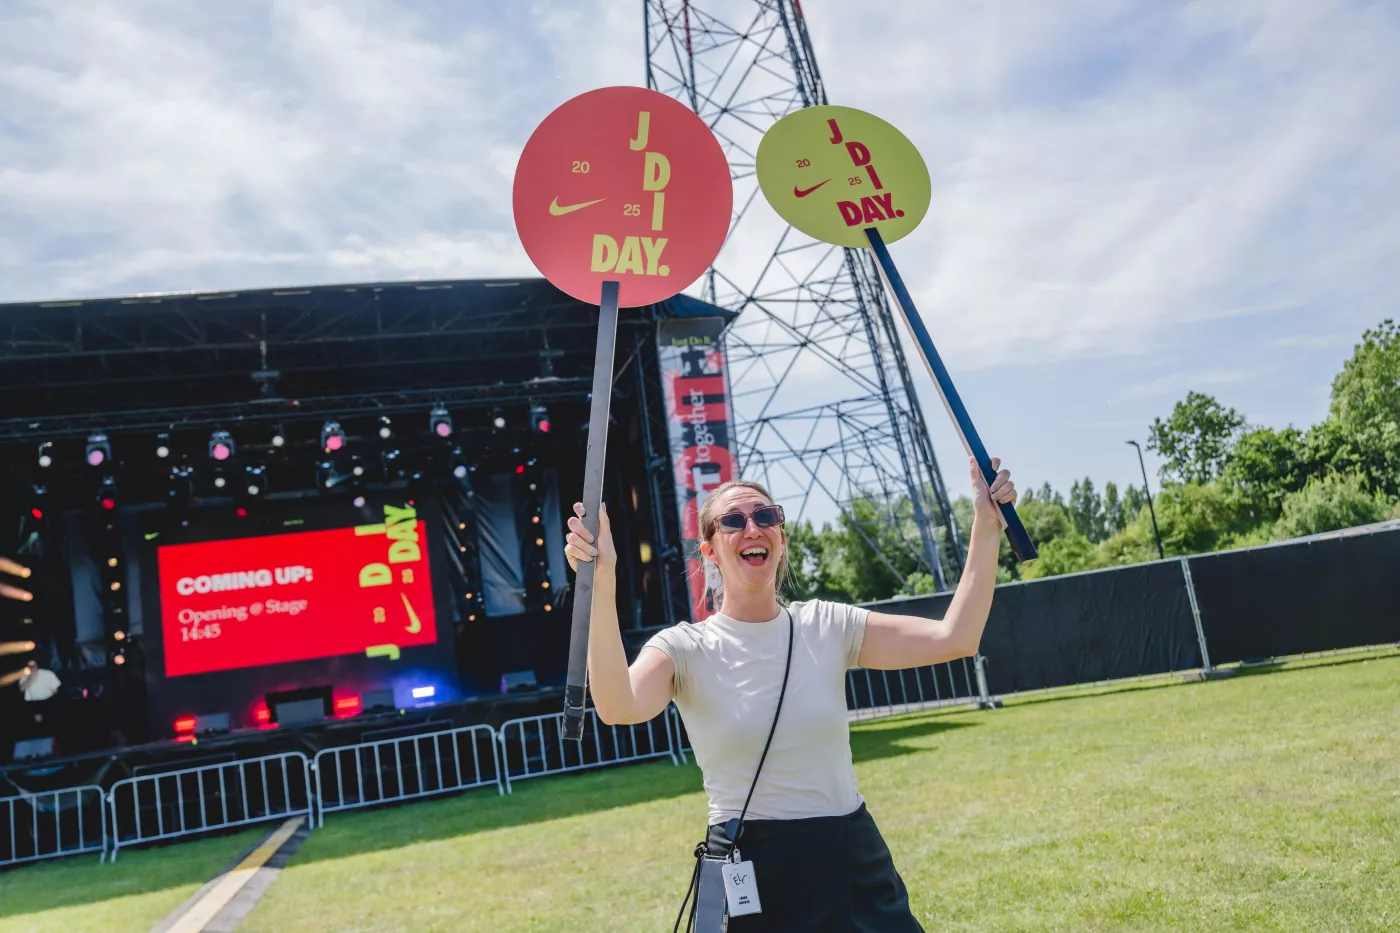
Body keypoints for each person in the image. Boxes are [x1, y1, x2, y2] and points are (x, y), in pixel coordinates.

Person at [566, 456, 1017, 932]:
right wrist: (603, 579)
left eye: (766, 516)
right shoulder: (685, 647)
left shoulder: (827, 624)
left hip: (849, 857)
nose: (752, 528)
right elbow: (617, 706)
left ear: (781, 537)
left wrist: (986, 523)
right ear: (710, 551)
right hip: (750, 868)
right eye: (733, 521)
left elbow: (956, 637)